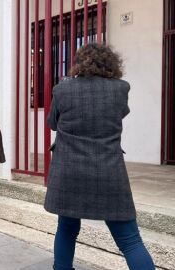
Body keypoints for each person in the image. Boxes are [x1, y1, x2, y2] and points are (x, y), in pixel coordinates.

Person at [44, 43, 155, 270]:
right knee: (130, 240)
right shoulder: (121, 89)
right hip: (108, 170)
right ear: (111, 63)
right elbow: (120, 114)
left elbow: (52, 123)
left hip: (69, 171)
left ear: (78, 63)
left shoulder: (62, 89)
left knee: (66, 229)